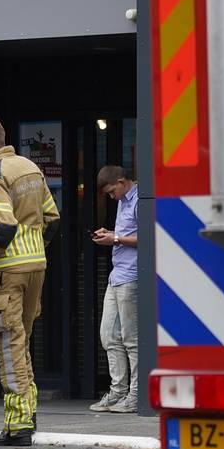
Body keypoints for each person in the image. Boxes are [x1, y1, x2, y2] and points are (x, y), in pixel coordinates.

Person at [0, 118, 60, 447]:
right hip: (36, 265)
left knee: (7, 344)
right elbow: (53, 220)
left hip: (6, 270)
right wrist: (34, 248)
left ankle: (18, 422)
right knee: (21, 341)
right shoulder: (30, 168)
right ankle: (28, 411)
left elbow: (2, 226)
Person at [90, 166, 139, 414]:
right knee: (108, 335)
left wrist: (116, 239)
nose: (112, 197)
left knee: (131, 338)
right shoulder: (123, 202)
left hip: (131, 275)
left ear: (121, 181)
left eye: (112, 191)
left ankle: (135, 395)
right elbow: (127, 234)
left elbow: (149, 235)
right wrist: (111, 234)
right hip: (116, 275)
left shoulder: (140, 199)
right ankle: (118, 391)